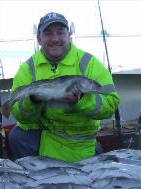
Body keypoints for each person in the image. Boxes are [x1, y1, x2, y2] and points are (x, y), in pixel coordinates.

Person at [8, 12, 120, 162]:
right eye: (48, 33)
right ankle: (34, 175)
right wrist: (33, 100)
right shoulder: (28, 68)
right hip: (47, 132)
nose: (55, 39)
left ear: (69, 36)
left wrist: (82, 100)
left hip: (80, 141)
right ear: (39, 39)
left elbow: (111, 105)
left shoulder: (89, 63)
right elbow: (20, 115)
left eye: (60, 33)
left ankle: (92, 152)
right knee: (17, 135)